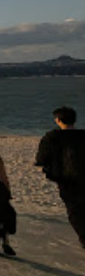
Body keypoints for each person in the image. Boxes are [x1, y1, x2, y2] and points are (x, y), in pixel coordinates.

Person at [35, 106, 85, 249]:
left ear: (58, 120)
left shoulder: (52, 136)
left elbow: (41, 158)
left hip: (66, 178)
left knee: (74, 210)